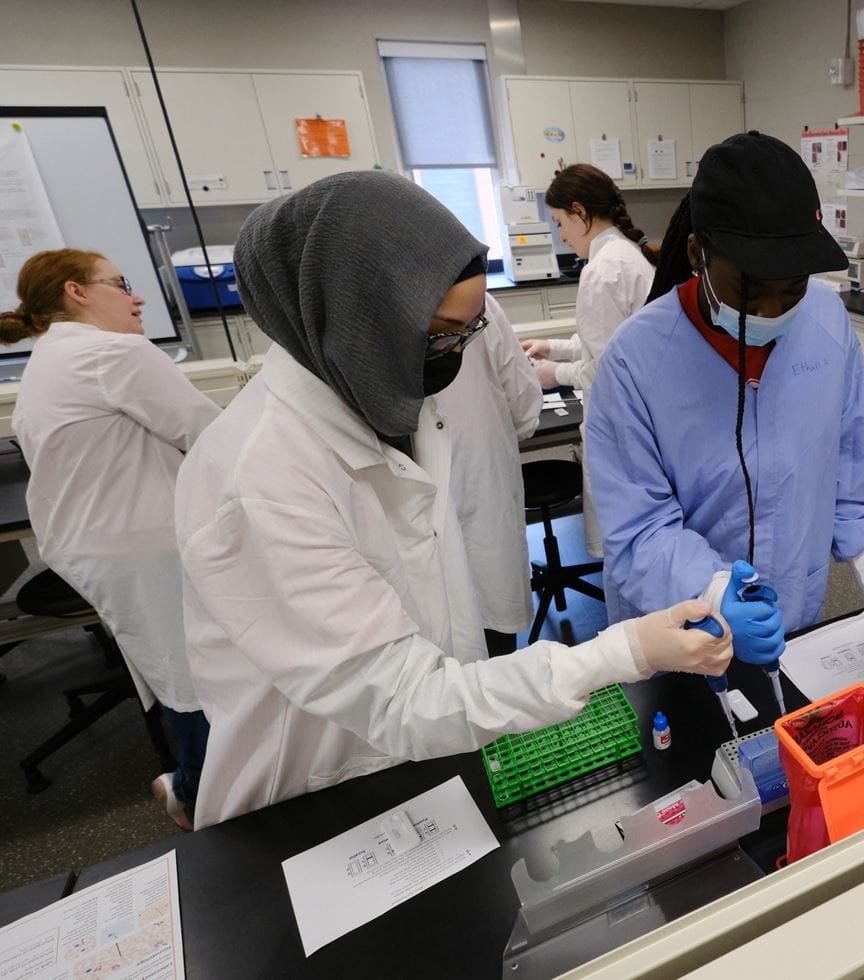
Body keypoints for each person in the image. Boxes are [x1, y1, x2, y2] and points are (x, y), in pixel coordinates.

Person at [174, 172, 732, 826]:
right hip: (314, 796)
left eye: (470, 332)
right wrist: (620, 653)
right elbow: (399, 699)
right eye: (442, 335)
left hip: (429, 756)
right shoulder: (259, 478)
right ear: (356, 321)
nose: (456, 357)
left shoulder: (398, 400)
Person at [586, 132, 864, 668]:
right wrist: (717, 594)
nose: (771, 310)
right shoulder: (637, 359)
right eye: (749, 291)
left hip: (790, 605)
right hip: (675, 617)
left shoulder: (827, 321)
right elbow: (638, 523)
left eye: (790, 290)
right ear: (698, 254)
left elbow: (848, 454)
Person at [4, 248, 219, 830]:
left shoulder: (49, 358)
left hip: (97, 545)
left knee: (180, 665)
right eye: (121, 284)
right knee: (193, 672)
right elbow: (208, 434)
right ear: (76, 292)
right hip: (137, 544)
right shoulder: (109, 352)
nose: (137, 296)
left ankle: (199, 784)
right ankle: (198, 797)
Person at [522, 164, 656, 558]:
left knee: (623, 547)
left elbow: (606, 368)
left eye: (560, 222)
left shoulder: (603, 271)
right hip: (638, 423)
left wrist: (554, 374)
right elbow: (610, 342)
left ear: (580, 212)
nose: (560, 234)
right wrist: (554, 346)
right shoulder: (624, 256)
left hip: (622, 429)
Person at [433, 291, 541, 654]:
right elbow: (525, 408)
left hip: (418, 520)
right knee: (493, 639)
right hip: (481, 488)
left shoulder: (352, 304)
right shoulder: (475, 299)